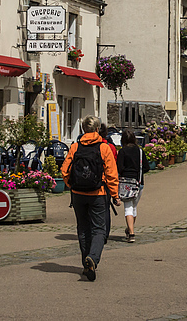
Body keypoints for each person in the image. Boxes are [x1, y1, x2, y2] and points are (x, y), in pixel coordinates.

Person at [62, 115, 120, 281]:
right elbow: (111, 174)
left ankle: (85, 263)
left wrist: (72, 185)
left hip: (78, 194)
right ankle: (93, 259)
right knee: (99, 229)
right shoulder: (104, 147)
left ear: (82, 130)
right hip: (98, 193)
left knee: (83, 228)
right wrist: (115, 195)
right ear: (97, 129)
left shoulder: (75, 147)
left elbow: (64, 170)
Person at [117, 128, 150, 243]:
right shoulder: (140, 151)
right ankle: (130, 228)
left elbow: (119, 168)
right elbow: (146, 167)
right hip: (138, 182)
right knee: (134, 207)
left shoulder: (122, 151)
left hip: (126, 182)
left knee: (128, 208)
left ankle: (131, 233)